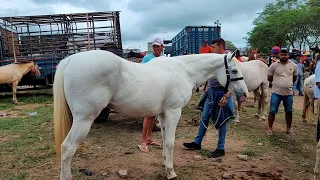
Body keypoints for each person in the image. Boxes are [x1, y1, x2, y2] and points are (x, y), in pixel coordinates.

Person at [183, 38, 246, 158]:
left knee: (222, 120)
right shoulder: (214, 59)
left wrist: (227, 96)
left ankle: (220, 148)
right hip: (211, 93)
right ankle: (197, 142)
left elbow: (235, 81)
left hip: (222, 93)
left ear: (221, 47)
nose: (211, 49)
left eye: (213, 47)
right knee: (204, 117)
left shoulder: (230, 60)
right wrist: (206, 89)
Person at [139, 37, 164, 152]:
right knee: (148, 115)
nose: (156, 48)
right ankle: (143, 141)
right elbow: (142, 73)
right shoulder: (147, 58)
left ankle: (149, 138)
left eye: (158, 46)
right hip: (149, 89)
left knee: (153, 115)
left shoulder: (164, 59)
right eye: (154, 46)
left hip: (159, 90)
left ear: (162, 47)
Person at [266, 49, 298, 136]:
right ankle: (270, 128)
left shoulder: (294, 66)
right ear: (279, 55)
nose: (283, 56)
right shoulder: (273, 65)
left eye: (285, 54)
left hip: (288, 93)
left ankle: (289, 128)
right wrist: (279, 83)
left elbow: (294, 78)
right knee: (272, 111)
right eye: (282, 54)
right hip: (276, 92)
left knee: (289, 111)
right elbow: (269, 78)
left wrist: (287, 83)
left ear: (288, 55)